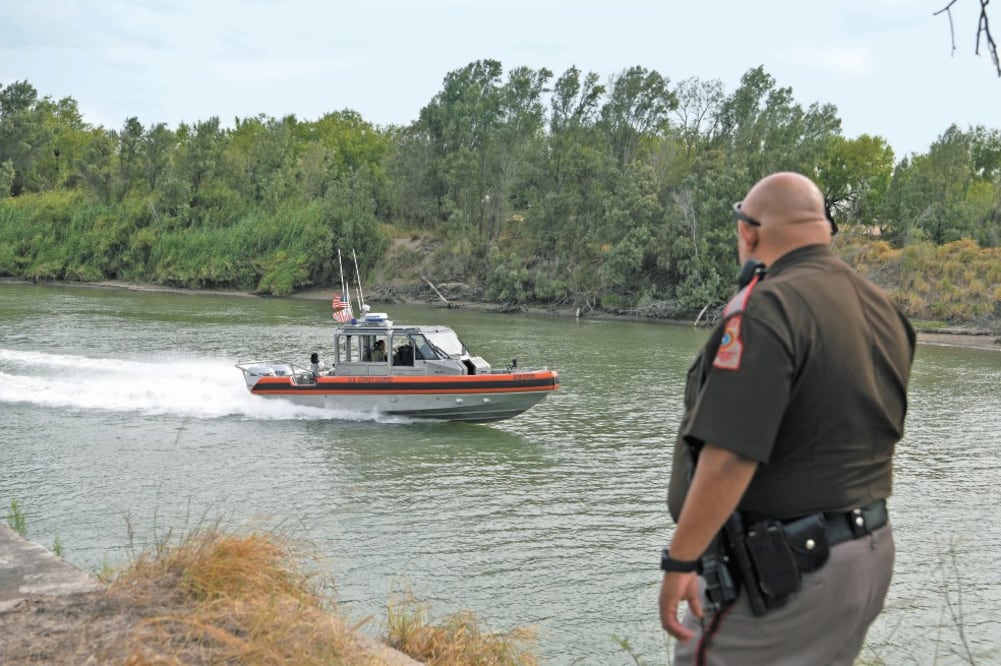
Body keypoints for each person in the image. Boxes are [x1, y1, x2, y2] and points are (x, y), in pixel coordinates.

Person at [658, 172, 915, 665]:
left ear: (749, 233)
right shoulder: (882, 308)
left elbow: (731, 457)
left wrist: (682, 558)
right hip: (867, 554)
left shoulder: (766, 309)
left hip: (789, 574)